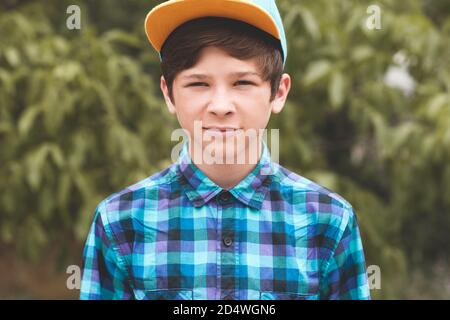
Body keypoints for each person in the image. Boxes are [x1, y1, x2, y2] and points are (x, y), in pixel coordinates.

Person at [80, 0, 370, 300]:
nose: (220, 106)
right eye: (198, 84)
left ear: (278, 92)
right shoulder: (120, 221)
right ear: (168, 93)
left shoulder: (329, 221)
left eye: (242, 82)